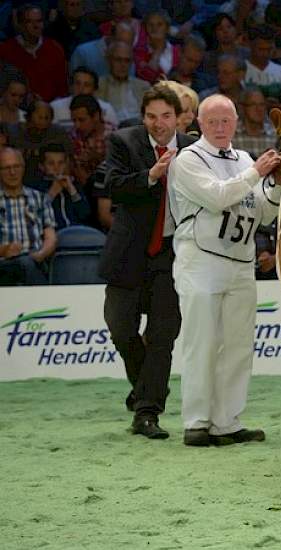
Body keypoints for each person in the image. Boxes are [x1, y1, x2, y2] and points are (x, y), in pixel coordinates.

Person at [167, 94, 281, 447]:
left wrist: (276, 183)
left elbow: (262, 213)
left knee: (238, 344)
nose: (220, 127)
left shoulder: (243, 158)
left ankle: (227, 421)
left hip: (240, 261)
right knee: (202, 342)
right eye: (212, 121)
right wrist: (255, 173)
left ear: (235, 123)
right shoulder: (187, 160)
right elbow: (217, 197)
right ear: (199, 124)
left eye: (226, 120)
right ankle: (197, 422)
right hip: (200, 261)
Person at [98, 83, 196, 440]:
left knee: (162, 336)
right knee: (121, 329)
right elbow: (111, 185)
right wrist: (151, 175)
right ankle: (146, 390)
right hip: (127, 255)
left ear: (178, 118)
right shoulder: (124, 142)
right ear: (143, 117)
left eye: (166, 116)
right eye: (152, 117)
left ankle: (147, 411)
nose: (159, 123)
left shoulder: (192, 149)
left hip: (174, 256)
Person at [0, 147, 56, 286]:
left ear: (23, 168)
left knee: (27, 263)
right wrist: (4, 250)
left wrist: (40, 254)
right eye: (6, 168)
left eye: (16, 166)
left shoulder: (39, 198)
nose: (12, 172)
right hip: (3, 264)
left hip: (34, 261)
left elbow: (51, 238)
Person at [0, 4, 69, 102]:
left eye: (39, 21)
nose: (36, 26)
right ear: (20, 25)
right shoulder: (5, 50)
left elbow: (62, 88)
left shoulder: (55, 48)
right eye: (29, 22)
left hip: (51, 109)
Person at [26, 144, 90, 229]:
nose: (57, 168)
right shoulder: (35, 187)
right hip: (52, 235)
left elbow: (85, 214)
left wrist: (72, 191)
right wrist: (51, 193)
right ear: (41, 166)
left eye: (61, 163)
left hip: (76, 234)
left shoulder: (74, 184)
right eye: (51, 164)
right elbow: (33, 216)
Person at [51, 67, 121, 129]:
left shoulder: (107, 109)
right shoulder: (55, 107)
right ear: (71, 86)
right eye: (77, 83)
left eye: (86, 85)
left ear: (94, 90)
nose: (81, 89)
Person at [234, 88, 277, 160]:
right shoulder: (232, 135)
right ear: (242, 108)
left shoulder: (275, 134)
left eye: (262, 104)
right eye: (253, 104)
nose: (258, 109)